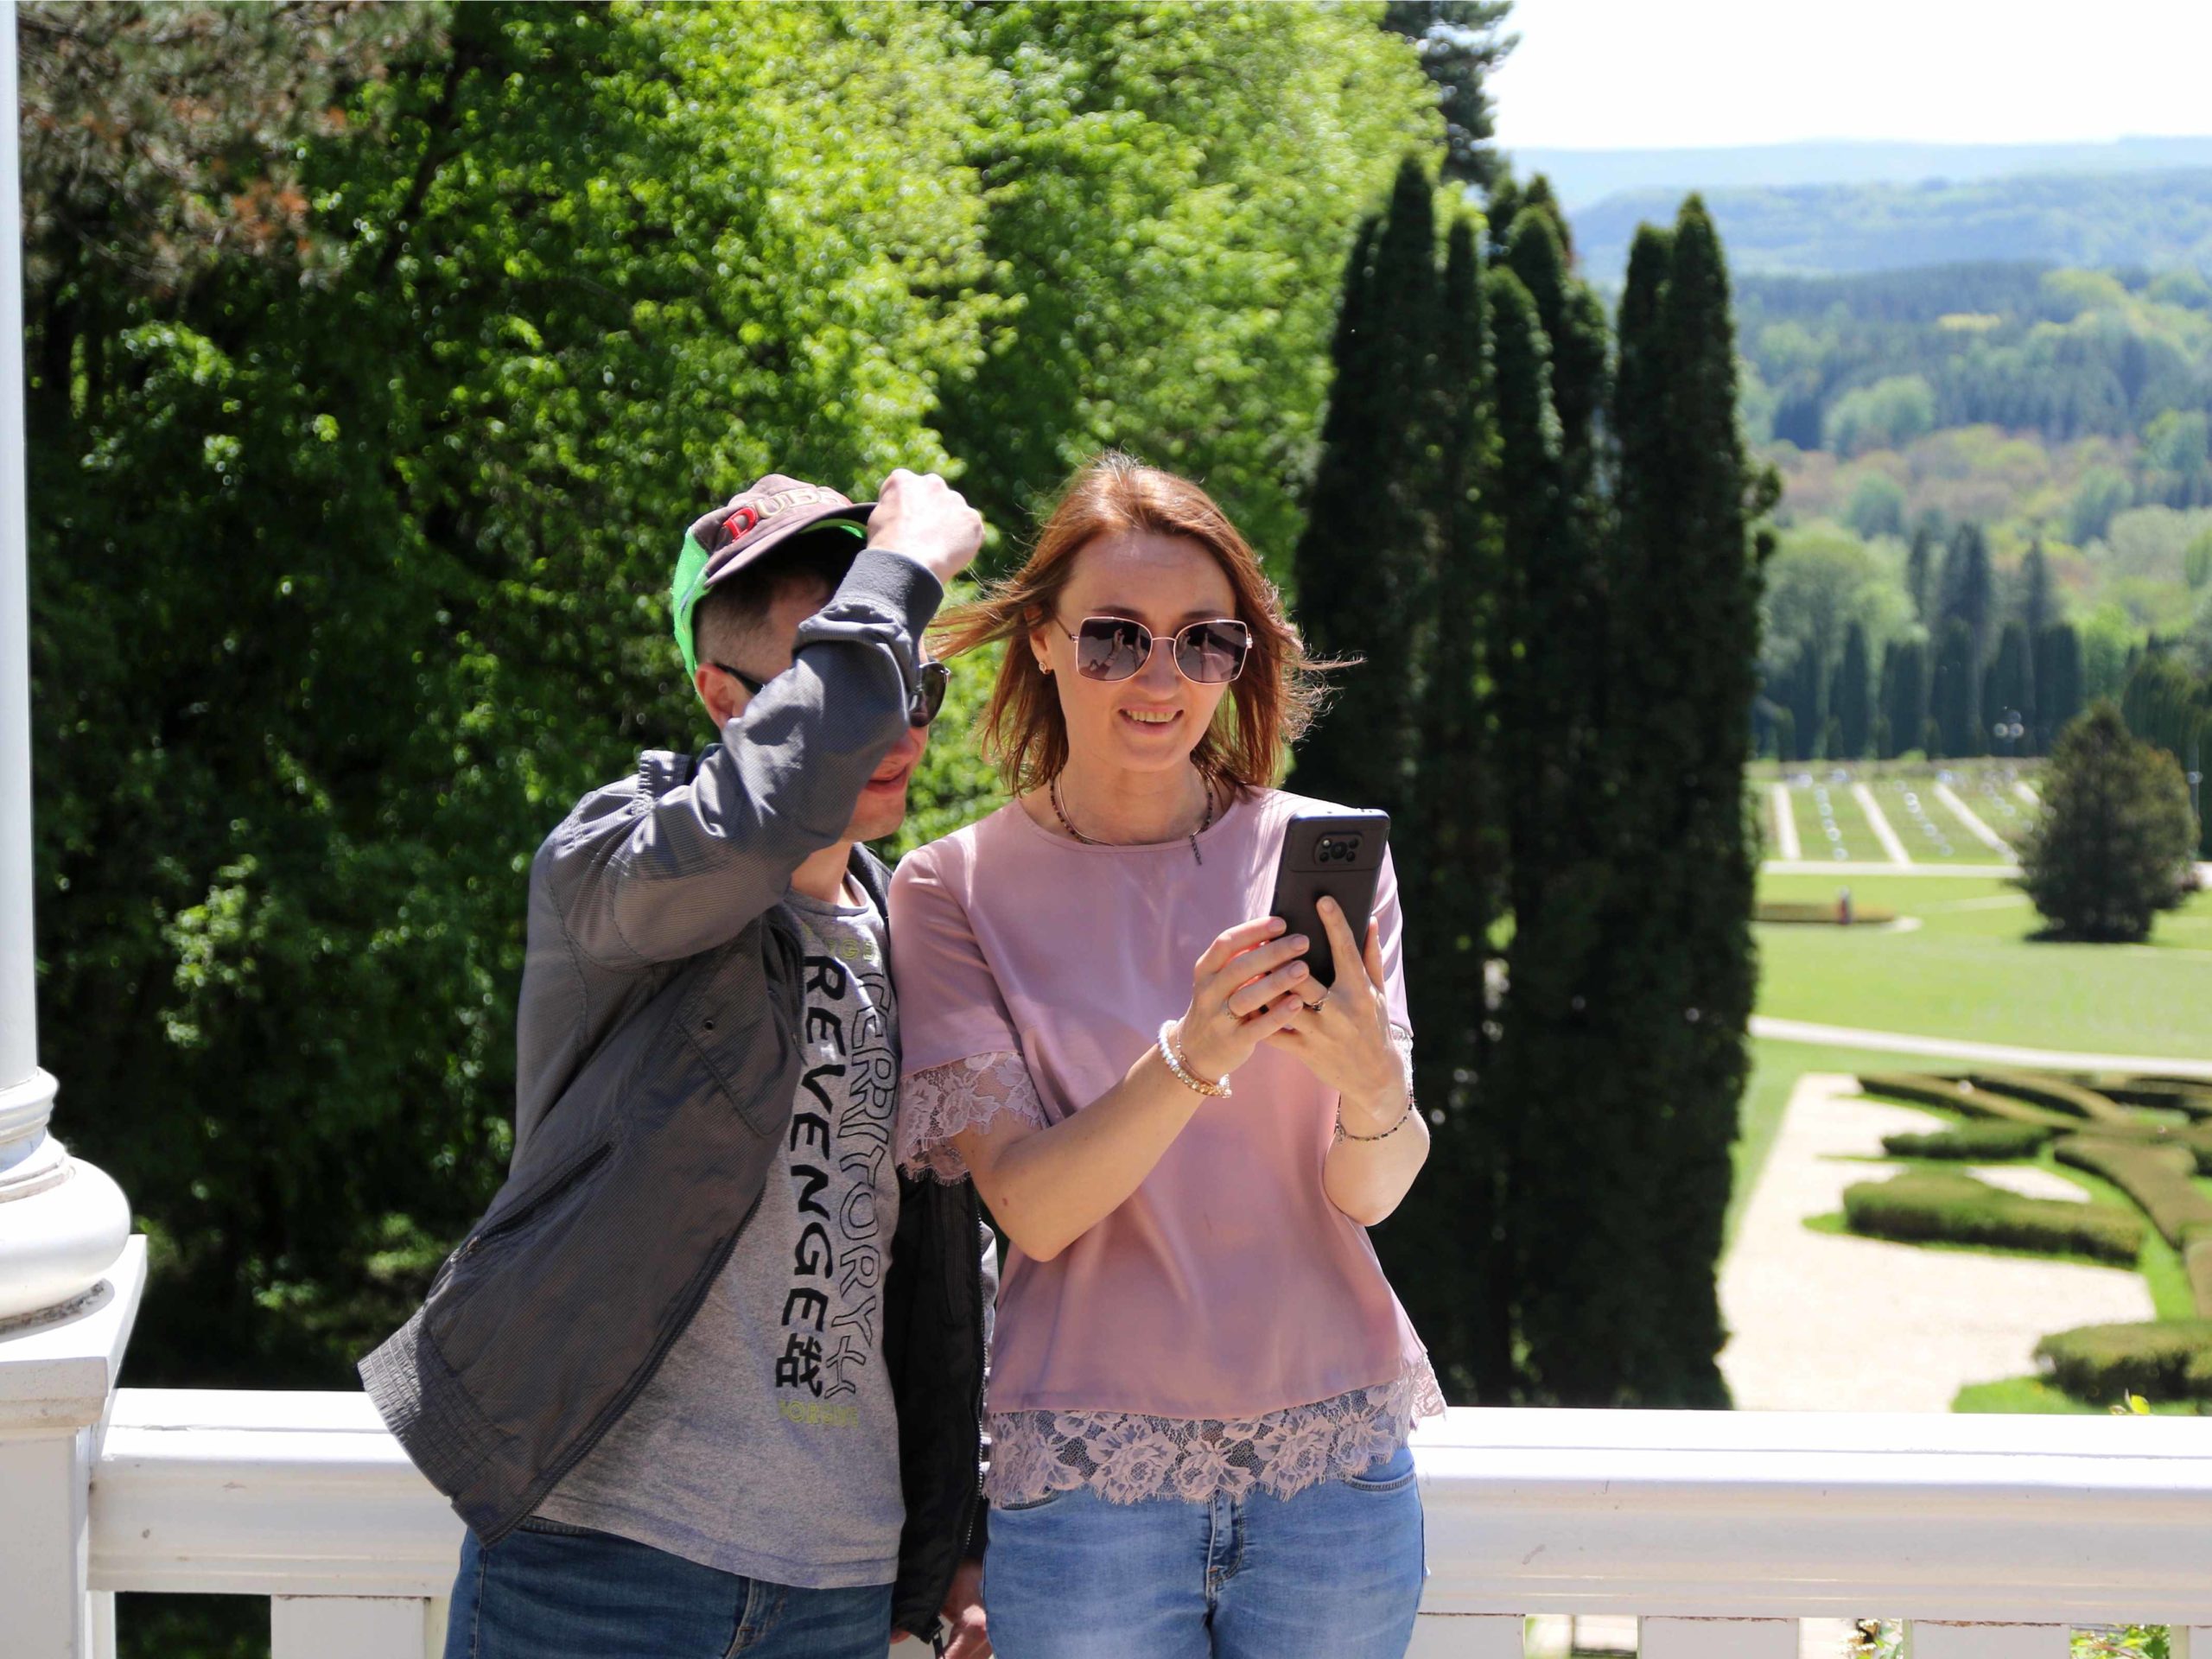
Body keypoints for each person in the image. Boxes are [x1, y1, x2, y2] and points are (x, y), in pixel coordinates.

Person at [360, 469, 995, 1659]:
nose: (894, 727)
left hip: (839, 1586)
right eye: (844, 682)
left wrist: (964, 1534)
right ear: (721, 696)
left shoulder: (920, 935)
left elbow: (945, 1270)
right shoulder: (615, 864)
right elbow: (756, 817)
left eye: (915, 684)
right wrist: (899, 573)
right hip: (597, 1567)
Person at [888, 454, 1440, 1659]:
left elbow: (1370, 1193)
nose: (1160, 677)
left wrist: (1371, 1086)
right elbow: (1034, 1211)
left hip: (1335, 1472)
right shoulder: (949, 890)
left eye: (1204, 643)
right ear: (1042, 641)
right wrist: (1191, 1055)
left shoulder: (1322, 855)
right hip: (1089, 1492)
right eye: (1115, 638)